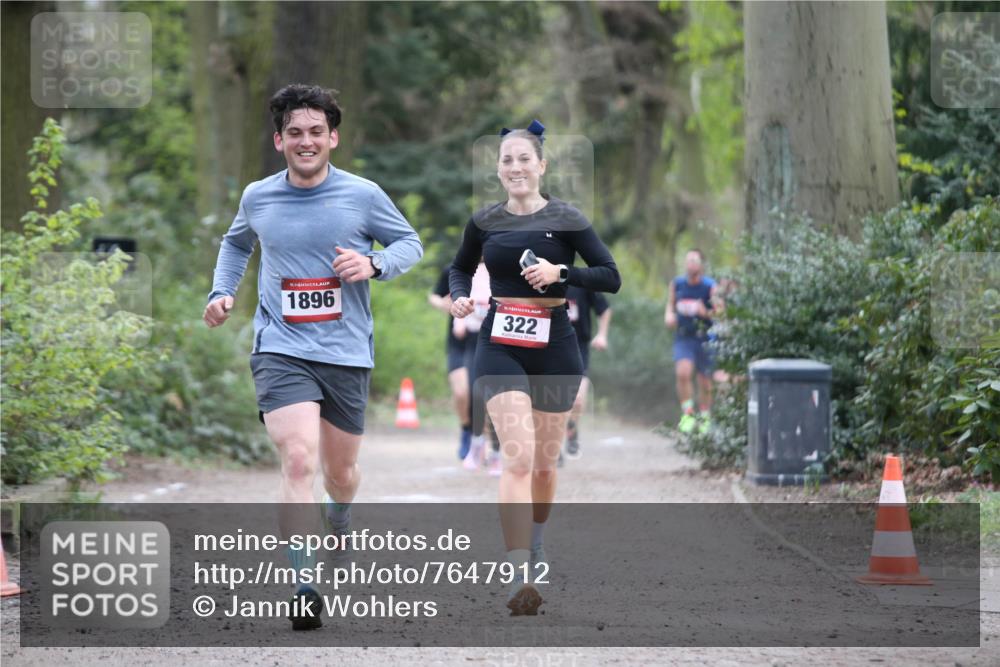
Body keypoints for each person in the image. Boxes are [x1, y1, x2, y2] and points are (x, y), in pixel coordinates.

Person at [203, 84, 422, 630]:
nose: (306, 141)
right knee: (299, 459)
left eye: (316, 132)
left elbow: (409, 244)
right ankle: (304, 584)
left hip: (345, 349)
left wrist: (373, 265)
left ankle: (340, 514)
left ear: (333, 138)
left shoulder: (363, 194)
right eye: (295, 133)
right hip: (280, 345)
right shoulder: (258, 196)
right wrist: (220, 292)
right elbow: (236, 244)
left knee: (341, 472)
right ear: (279, 140)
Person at [449, 120, 620, 615]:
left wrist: (561, 273)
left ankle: (538, 540)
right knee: (518, 457)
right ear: (498, 171)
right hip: (500, 344)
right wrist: (461, 298)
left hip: (556, 346)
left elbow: (610, 276)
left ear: (541, 166)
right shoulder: (484, 221)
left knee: (544, 465)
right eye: (507, 160)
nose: (516, 167)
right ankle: (518, 570)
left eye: (525, 159)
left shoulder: (567, 219)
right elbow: (460, 268)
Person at [664, 249, 722, 435]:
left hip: (705, 337)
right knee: (683, 372)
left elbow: (721, 312)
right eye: (688, 260)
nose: (691, 264)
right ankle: (688, 414)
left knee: (705, 381)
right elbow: (670, 305)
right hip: (684, 336)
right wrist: (669, 316)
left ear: (701, 264)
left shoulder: (710, 286)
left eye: (695, 260)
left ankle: (705, 416)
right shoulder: (677, 284)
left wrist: (704, 312)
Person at [563, 285, 612, 459]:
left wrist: (602, 335)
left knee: (576, 400)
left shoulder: (581, 283)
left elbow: (604, 310)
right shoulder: (541, 282)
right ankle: (551, 443)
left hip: (578, 347)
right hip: (551, 347)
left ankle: (572, 433)